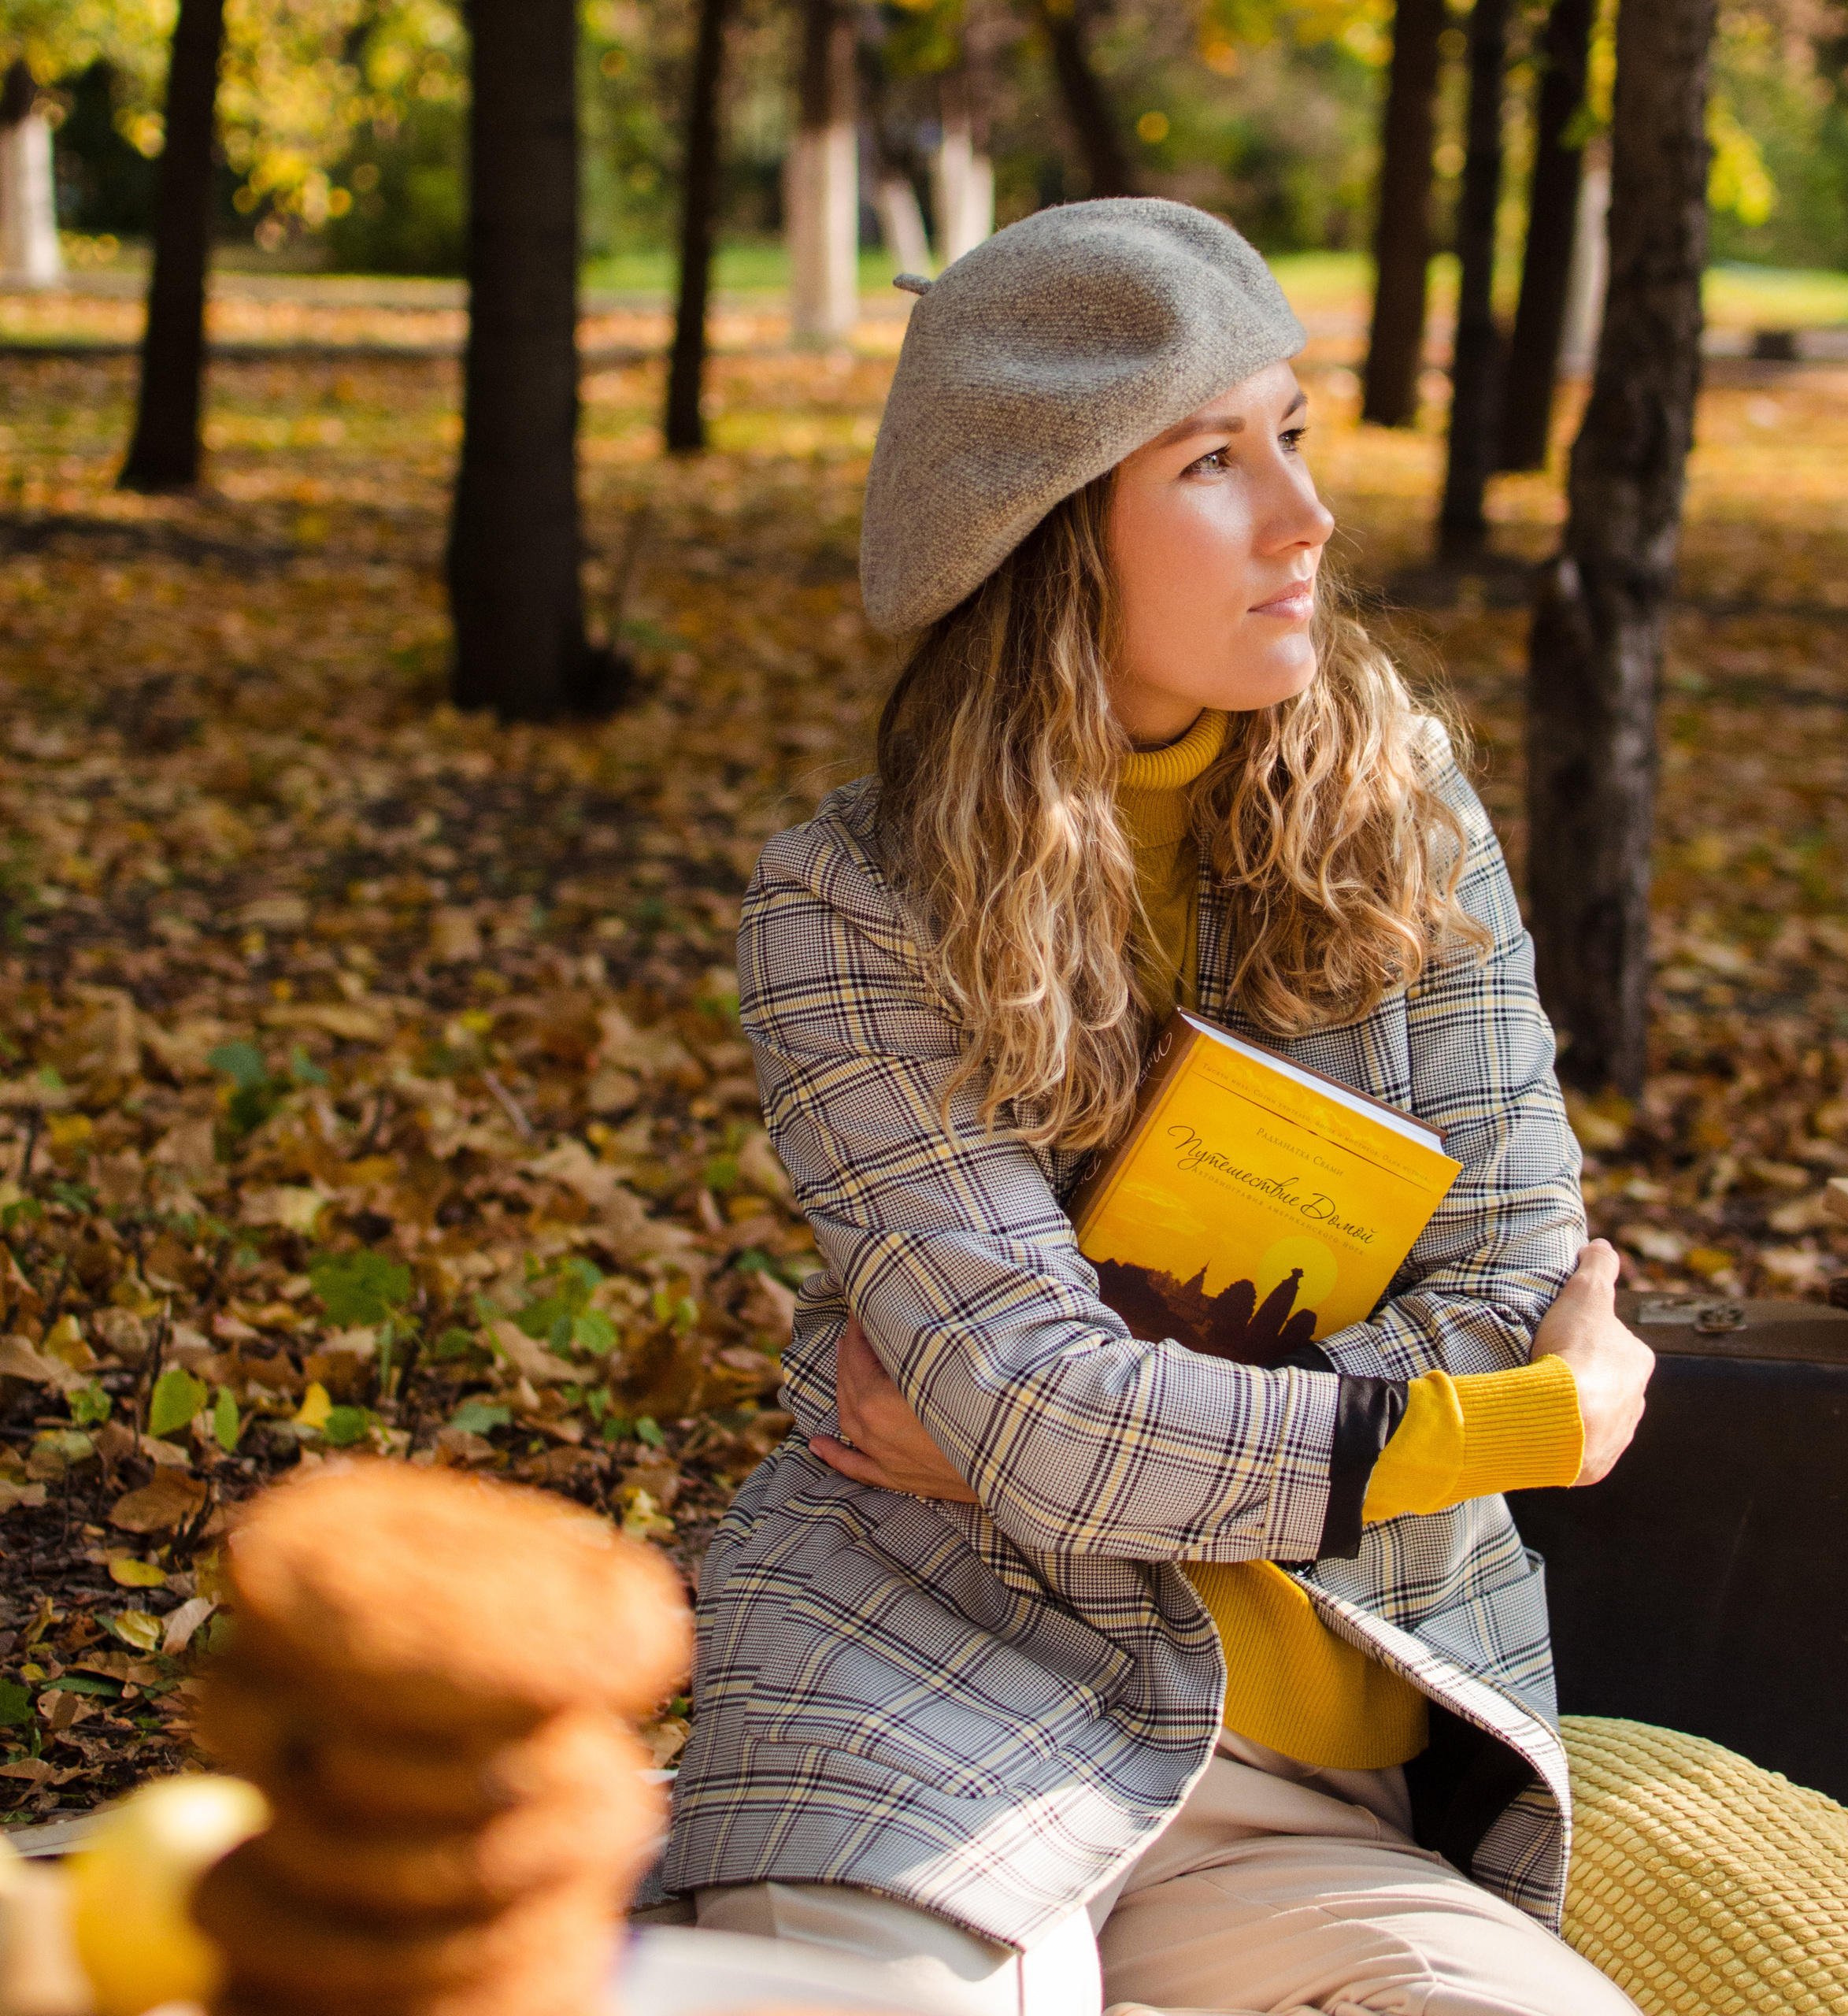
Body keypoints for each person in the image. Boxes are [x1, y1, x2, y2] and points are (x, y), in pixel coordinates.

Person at [663, 198, 1654, 2016]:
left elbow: (1511, 1282)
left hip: (1305, 1787)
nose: (1304, 516)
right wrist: (1496, 1426)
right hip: (921, 1697)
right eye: (1213, 460)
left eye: (1291, 431)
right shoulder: (845, 902)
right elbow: (1052, 1401)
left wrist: (1065, 1446)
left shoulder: (1406, 816)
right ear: (1046, 539)